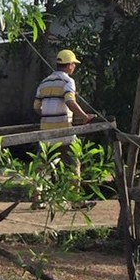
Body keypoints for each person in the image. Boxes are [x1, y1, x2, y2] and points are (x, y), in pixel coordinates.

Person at [31, 48, 95, 209]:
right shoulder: (68, 81)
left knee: (42, 167)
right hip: (64, 132)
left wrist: (48, 115)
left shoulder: (44, 82)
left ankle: (37, 200)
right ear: (70, 65)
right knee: (74, 164)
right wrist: (84, 116)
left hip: (46, 132)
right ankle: (75, 200)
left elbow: (36, 107)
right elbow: (69, 101)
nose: (74, 67)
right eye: (74, 64)